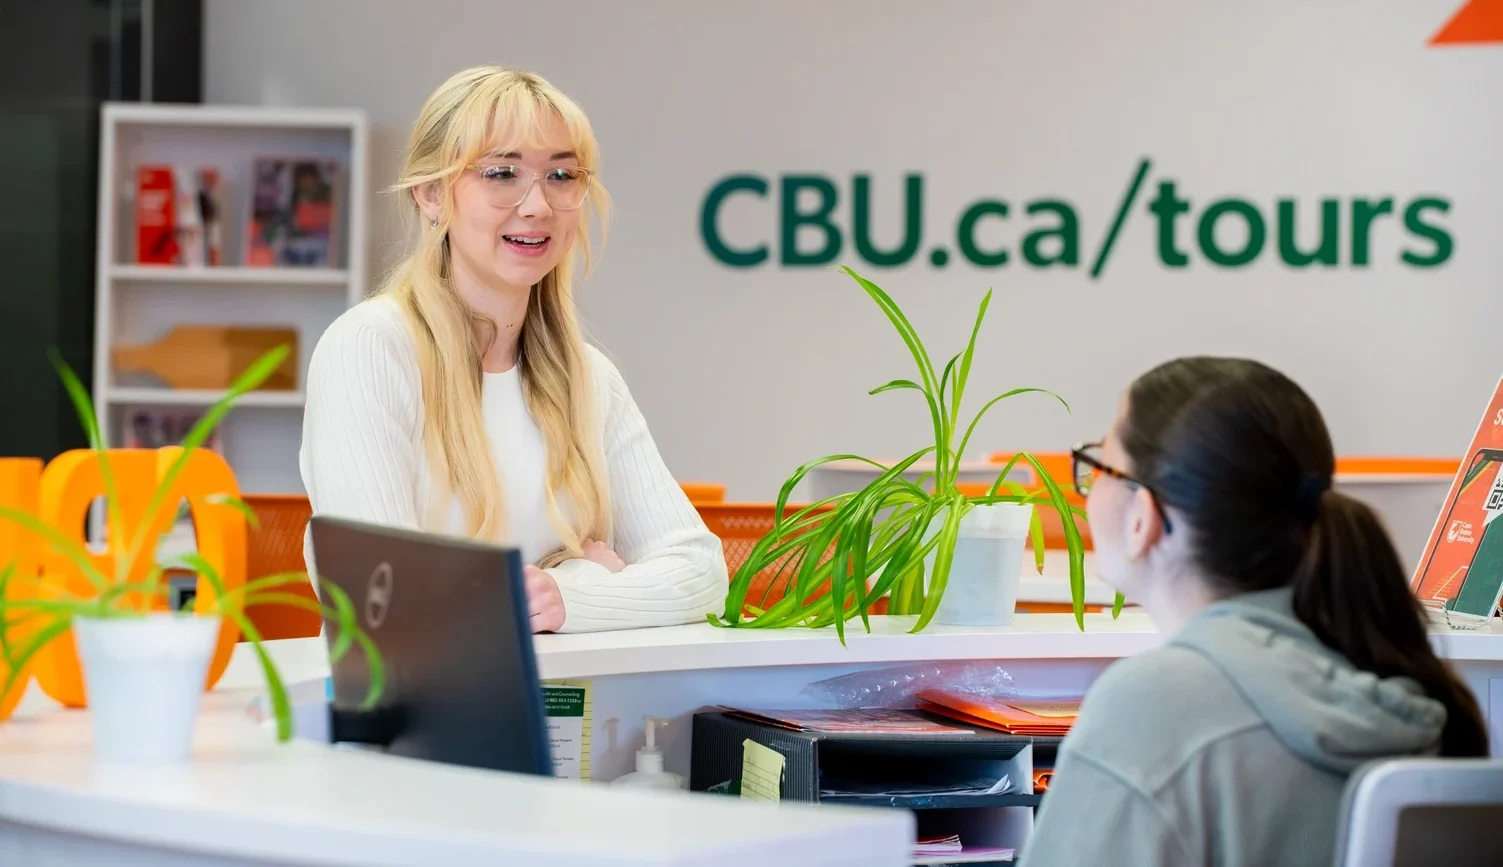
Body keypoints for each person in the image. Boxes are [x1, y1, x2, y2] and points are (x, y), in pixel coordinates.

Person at [298, 65, 728, 633]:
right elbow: (384, 600)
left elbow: (702, 574)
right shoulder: (370, 350)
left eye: (561, 175)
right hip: (423, 693)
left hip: (572, 693)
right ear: (431, 194)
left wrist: (568, 595)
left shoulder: (588, 378)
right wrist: (592, 575)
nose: (537, 205)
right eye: (502, 173)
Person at [1022, 357, 1488, 866]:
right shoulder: (1405, 683)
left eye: (1100, 466)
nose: (1088, 488)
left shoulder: (1153, 704)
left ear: (1143, 516)